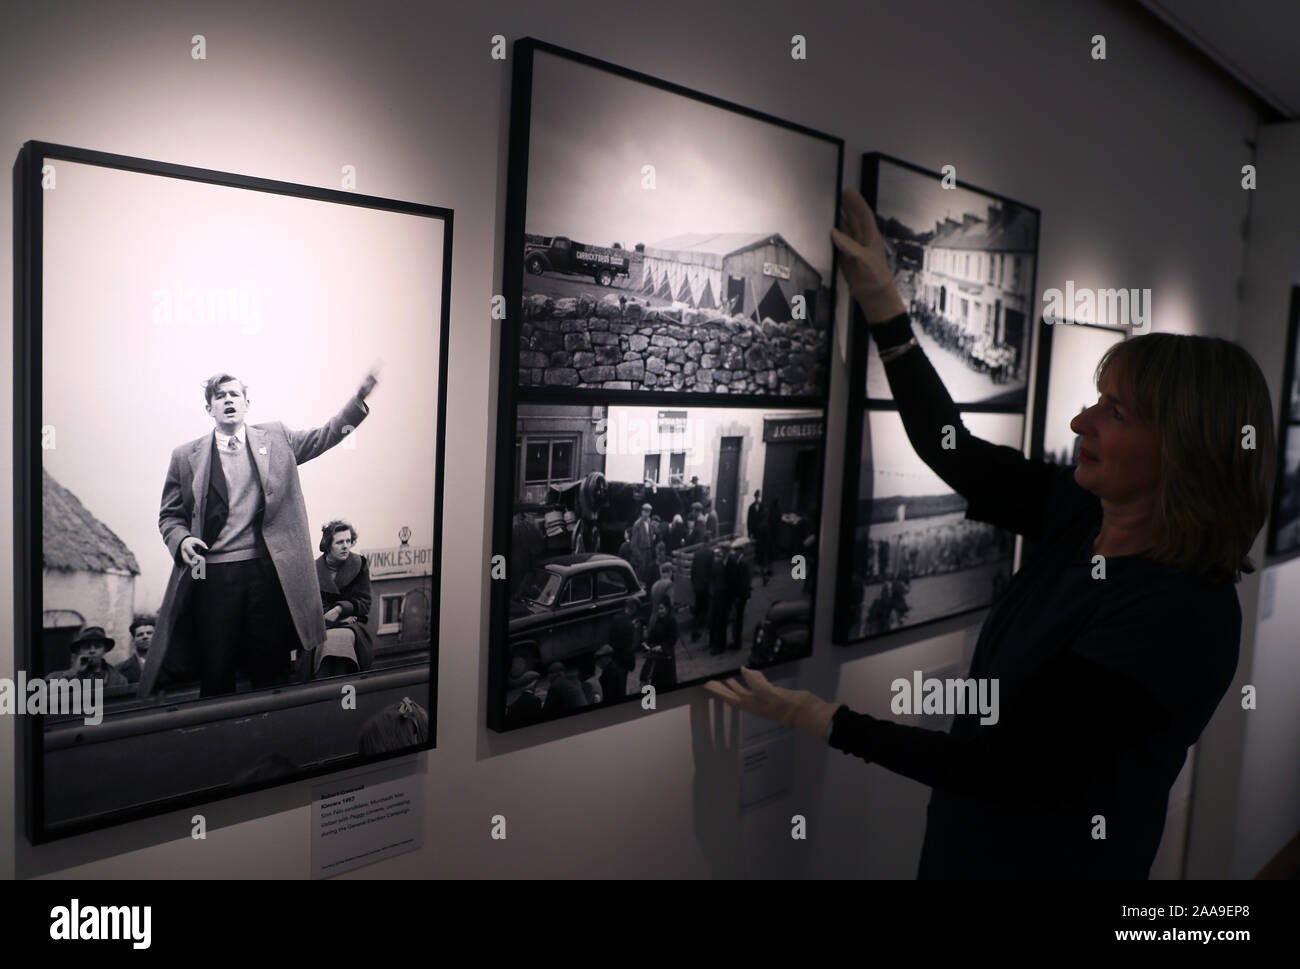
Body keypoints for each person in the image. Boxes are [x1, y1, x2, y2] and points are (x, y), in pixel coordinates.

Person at [705, 187, 1276, 879]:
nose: (1080, 425)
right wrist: (887, 308)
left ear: (1185, 448)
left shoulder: (1184, 611)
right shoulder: (1079, 514)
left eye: (1115, 412)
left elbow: (1005, 768)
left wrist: (816, 716)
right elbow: (955, 450)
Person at [142, 368, 378, 698]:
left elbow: (325, 435)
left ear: (247, 403)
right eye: (219, 396)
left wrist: (357, 402)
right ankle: (219, 738)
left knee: (271, 668)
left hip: (267, 574)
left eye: (234, 394)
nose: (227, 400)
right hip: (213, 576)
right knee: (217, 668)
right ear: (209, 408)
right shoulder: (185, 456)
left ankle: (272, 733)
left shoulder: (277, 438)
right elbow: (169, 515)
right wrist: (181, 540)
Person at [313, 519, 375, 678]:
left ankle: (342, 689)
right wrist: (337, 619)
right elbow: (312, 607)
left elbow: (364, 603)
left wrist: (340, 608)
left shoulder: (359, 564)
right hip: (322, 626)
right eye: (339, 542)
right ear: (328, 546)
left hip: (353, 624)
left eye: (348, 541)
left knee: (340, 639)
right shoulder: (313, 570)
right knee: (326, 643)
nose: (346, 546)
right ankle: (324, 692)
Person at [53, 626, 130, 688]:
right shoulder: (59, 676)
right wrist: (73, 672)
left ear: (105, 650)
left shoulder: (118, 680)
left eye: (98, 646)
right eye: (86, 646)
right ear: (79, 651)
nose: (92, 651)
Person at [723, 538, 752, 651]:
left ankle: (737, 643)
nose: (735, 553)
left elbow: (744, 582)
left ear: (740, 551)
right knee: (737, 619)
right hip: (741, 595)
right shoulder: (741, 562)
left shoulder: (742, 563)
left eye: (737, 551)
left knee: (738, 619)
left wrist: (738, 597)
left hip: (741, 596)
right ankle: (736, 641)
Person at [114, 614, 156, 684]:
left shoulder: (169, 664)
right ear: (133, 640)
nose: (145, 637)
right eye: (140, 634)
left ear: (157, 636)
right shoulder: (119, 670)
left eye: (149, 633)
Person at [629, 503, 657, 588]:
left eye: (648, 512)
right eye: (645, 512)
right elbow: (633, 544)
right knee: (640, 576)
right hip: (641, 552)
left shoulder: (649, 523)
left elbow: (650, 537)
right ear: (641, 512)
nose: (647, 514)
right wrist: (639, 557)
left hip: (648, 552)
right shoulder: (637, 524)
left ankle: (646, 595)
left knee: (647, 575)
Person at [690, 539, 714, 641]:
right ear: (709, 542)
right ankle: (705, 632)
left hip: (697, 586)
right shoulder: (710, 553)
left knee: (698, 608)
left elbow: (692, 570)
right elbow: (710, 570)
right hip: (705, 586)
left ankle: (695, 631)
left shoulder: (697, 553)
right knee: (705, 609)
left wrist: (694, 582)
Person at [747, 490, 771, 584]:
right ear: (755, 497)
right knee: (755, 552)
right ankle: (759, 572)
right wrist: (750, 532)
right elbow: (749, 521)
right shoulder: (751, 507)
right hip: (755, 533)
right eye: (756, 496)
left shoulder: (763, 507)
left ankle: (760, 572)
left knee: (759, 553)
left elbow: (764, 520)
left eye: (759, 496)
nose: (758, 498)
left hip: (761, 535)